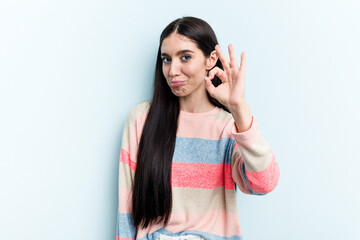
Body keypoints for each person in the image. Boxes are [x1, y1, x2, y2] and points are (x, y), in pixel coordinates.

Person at [116, 16, 280, 240]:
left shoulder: (229, 128)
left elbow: (264, 183)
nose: (172, 70)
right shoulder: (141, 120)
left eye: (185, 57)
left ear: (211, 59)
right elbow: (127, 210)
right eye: (166, 59)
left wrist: (239, 108)